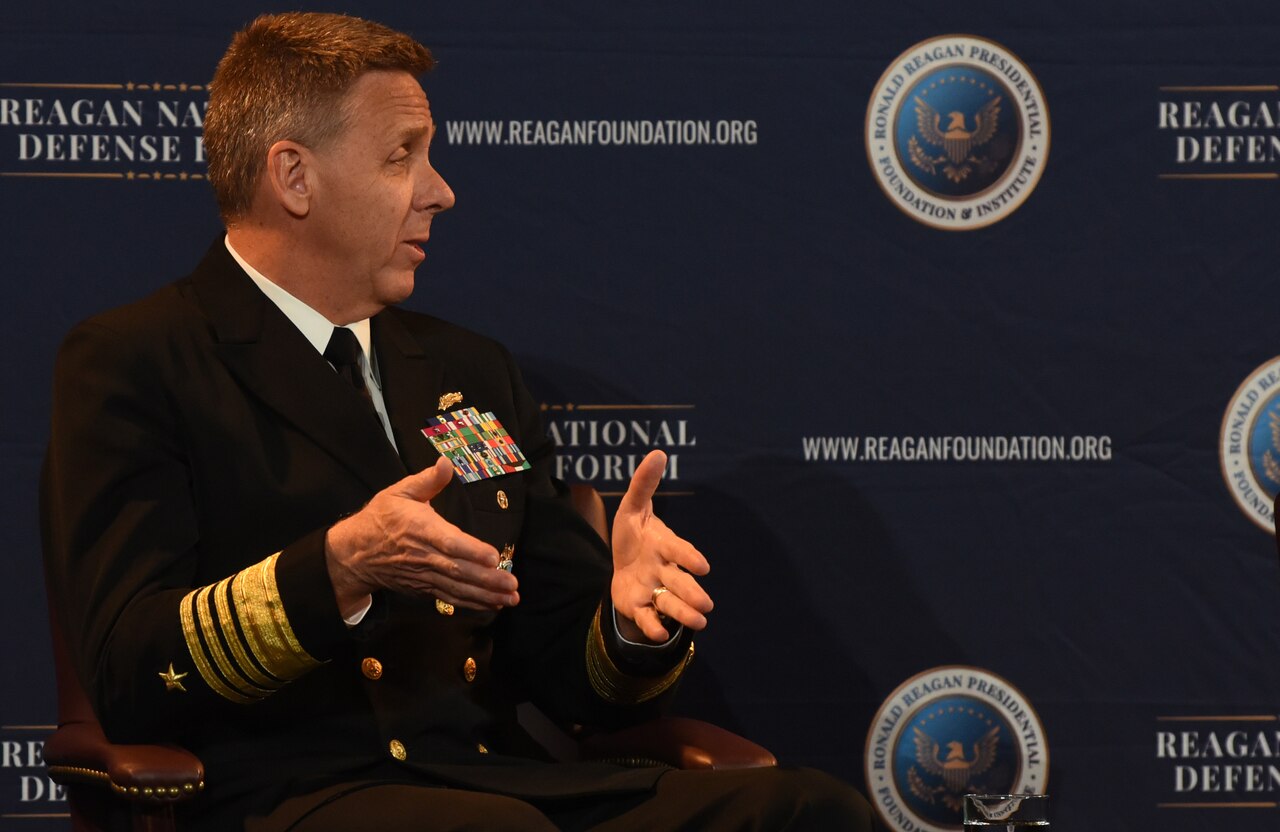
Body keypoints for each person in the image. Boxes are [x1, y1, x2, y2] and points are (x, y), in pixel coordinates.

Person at [41, 11, 879, 831]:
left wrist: (625, 623)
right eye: (402, 156)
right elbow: (128, 667)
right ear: (294, 177)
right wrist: (339, 568)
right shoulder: (139, 358)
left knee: (808, 809)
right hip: (287, 794)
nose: (441, 191)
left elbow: (570, 668)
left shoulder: (467, 371)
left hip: (498, 782)